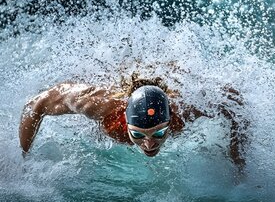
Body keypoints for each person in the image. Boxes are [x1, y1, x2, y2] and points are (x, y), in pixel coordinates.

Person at [19, 75, 247, 176]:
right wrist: (24, 160)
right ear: (126, 121)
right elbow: (35, 105)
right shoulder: (100, 106)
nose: (149, 144)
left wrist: (237, 159)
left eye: (159, 132)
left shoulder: (183, 111)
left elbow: (233, 101)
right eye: (138, 134)